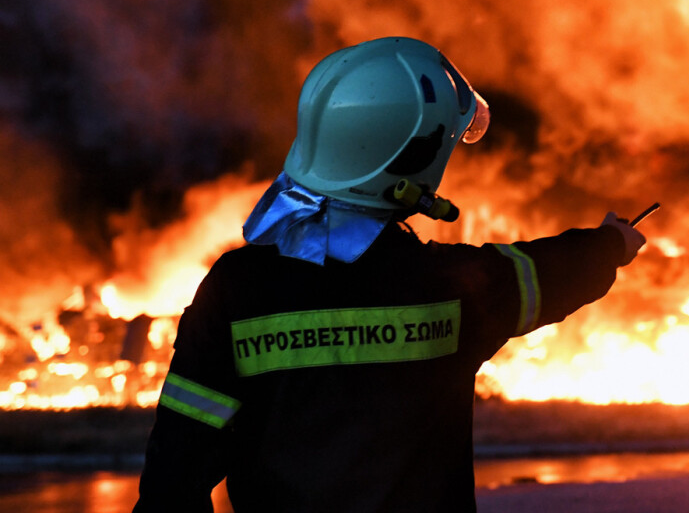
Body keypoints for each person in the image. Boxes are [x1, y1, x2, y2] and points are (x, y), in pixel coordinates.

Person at [134, 37, 646, 512]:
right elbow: (543, 272)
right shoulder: (451, 288)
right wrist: (610, 244)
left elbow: (174, 474)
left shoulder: (237, 287)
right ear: (414, 159)